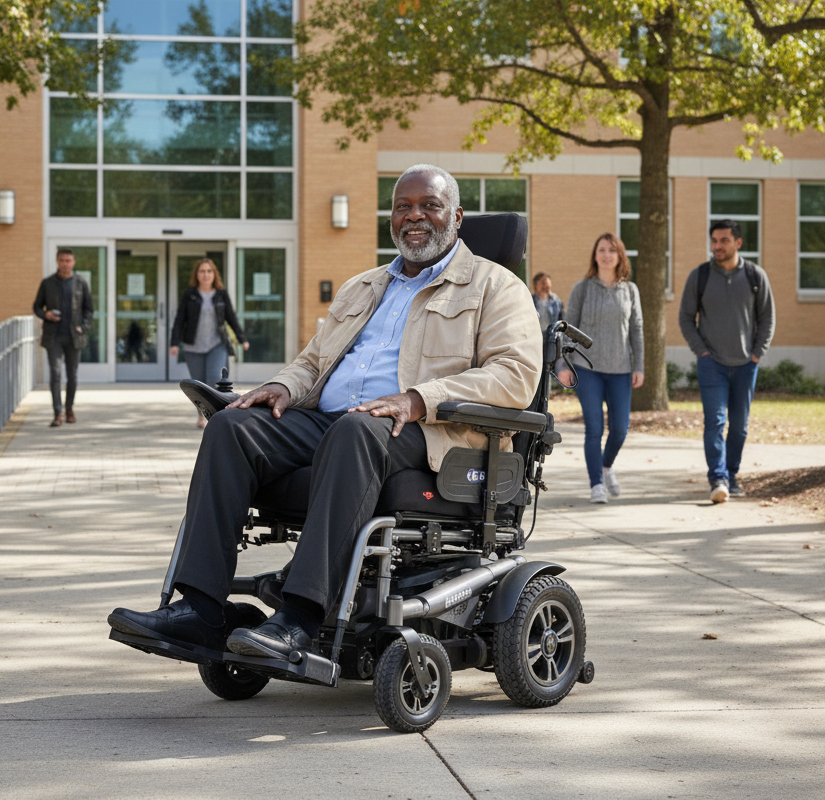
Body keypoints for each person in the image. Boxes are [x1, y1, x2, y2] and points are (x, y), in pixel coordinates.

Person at [108, 164, 542, 662]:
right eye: (403, 206)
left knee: (357, 430)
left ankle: (299, 617)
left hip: (431, 433)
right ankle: (201, 610)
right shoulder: (363, 286)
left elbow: (515, 376)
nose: (414, 216)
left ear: (457, 217)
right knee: (232, 427)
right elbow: (314, 363)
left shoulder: (495, 287)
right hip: (335, 422)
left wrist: (419, 397)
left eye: (429, 205)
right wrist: (280, 386)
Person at [679, 220, 775, 503]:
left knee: (740, 425)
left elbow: (767, 317)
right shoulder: (701, 276)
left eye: (723, 241)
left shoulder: (756, 276)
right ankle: (718, 478)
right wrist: (701, 351)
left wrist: (758, 352)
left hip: (747, 363)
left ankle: (731, 475)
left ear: (738, 243)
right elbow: (686, 316)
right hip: (712, 363)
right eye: (714, 241)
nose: (717, 246)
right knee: (715, 420)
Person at [561, 233, 644, 504]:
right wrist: (564, 364)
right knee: (594, 428)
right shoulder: (582, 288)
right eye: (601, 250)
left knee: (620, 428)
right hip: (588, 369)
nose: (606, 255)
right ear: (595, 255)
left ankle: (606, 467)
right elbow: (567, 329)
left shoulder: (630, 291)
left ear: (620, 256)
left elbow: (636, 330)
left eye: (612, 250)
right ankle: (596, 483)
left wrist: (639, 365)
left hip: (620, 369)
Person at [170, 258, 250, 428]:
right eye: (202, 271)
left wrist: (242, 338)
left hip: (216, 344)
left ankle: (214, 417)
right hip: (193, 346)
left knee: (214, 379)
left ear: (214, 274)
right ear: (197, 275)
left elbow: (231, 318)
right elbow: (179, 319)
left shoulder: (221, 294)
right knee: (199, 384)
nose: (206, 275)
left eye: (209, 271)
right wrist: (174, 343)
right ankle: (201, 415)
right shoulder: (190, 294)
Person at [33, 249, 94, 427]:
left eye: (68, 260)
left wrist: (83, 327)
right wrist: (47, 315)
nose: (65, 263)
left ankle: (69, 409)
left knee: (72, 376)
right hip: (54, 337)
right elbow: (37, 307)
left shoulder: (80, 283)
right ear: (57, 262)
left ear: (74, 262)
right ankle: (57, 413)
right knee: (55, 374)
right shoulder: (48, 283)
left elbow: (89, 309)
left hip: (74, 336)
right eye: (62, 260)